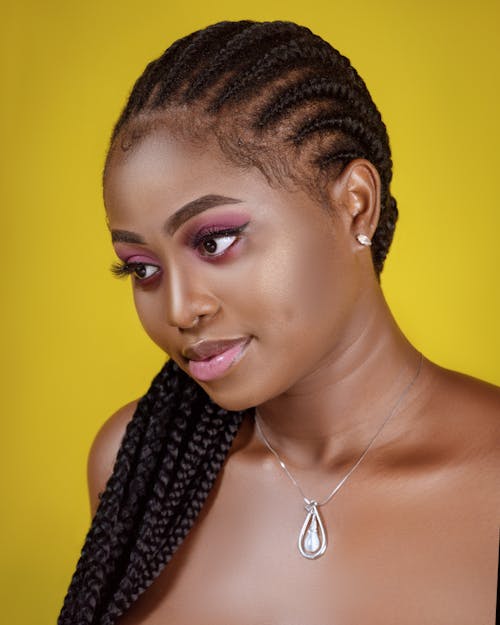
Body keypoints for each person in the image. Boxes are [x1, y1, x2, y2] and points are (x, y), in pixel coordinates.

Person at [59, 20, 500, 625]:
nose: (180, 309)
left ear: (355, 204)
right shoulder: (134, 468)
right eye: (141, 268)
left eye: (214, 241)